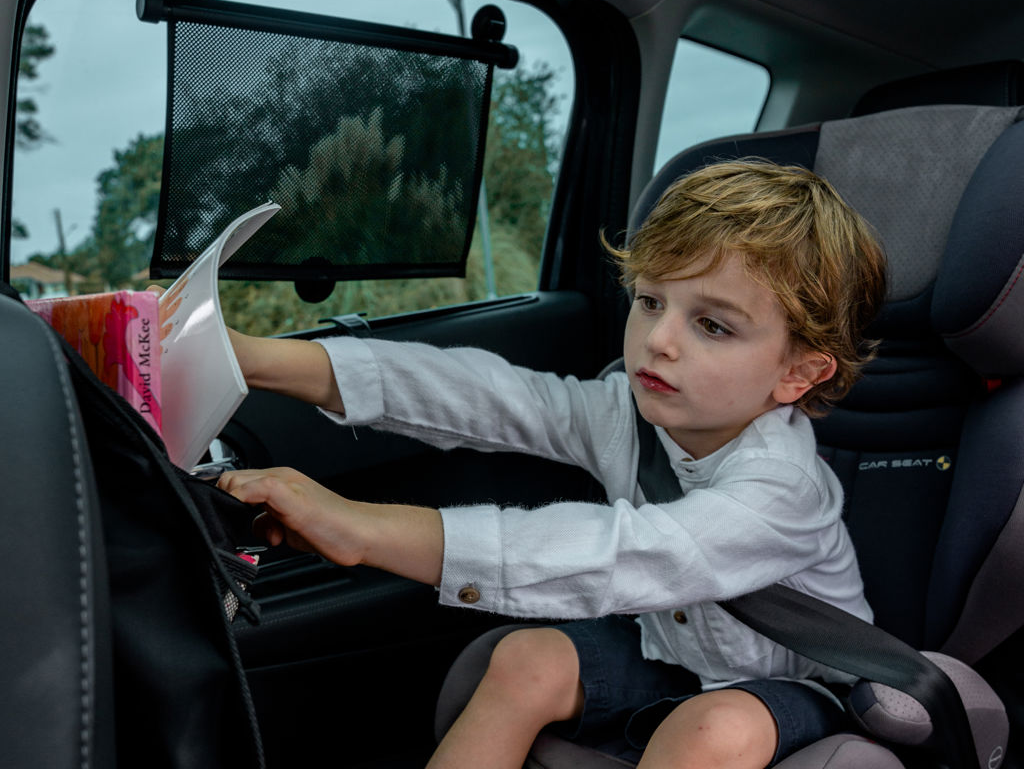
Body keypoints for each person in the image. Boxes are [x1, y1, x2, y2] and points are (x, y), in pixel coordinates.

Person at [217, 159, 888, 769]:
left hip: (795, 687)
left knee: (711, 729)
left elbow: (626, 554)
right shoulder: (626, 413)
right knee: (524, 659)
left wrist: (362, 529)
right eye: (650, 301)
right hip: (670, 657)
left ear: (799, 374)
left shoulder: (782, 487)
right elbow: (489, 397)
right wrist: (250, 357)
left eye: (713, 325)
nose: (657, 340)